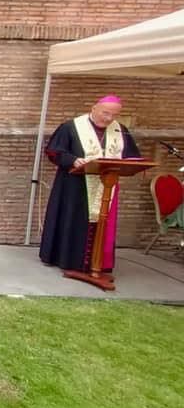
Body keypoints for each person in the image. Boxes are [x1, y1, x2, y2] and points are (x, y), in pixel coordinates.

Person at [39, 95, 141, 277]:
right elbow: (54, 151)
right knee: (73, 220)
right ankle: (69, 259)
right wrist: (73, 160)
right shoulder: (71, 127)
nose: (109, 118)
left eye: (114, 115)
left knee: (103, 222)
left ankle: (98, 263)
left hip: (106, 186)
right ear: (94, 108)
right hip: (74, 185)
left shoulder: (119, 130)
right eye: (105, 113)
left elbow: (131, 155)